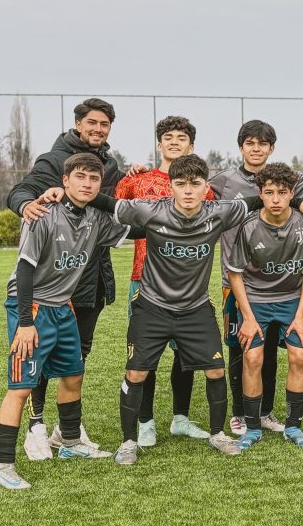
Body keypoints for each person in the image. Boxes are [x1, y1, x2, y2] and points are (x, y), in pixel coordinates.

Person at [109, 154, 303, 464]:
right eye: (181, 185)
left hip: (196, 308)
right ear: (171, 187)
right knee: (136, 373)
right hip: (152, 306)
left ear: (207, 187)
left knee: (216, 370)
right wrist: (66, 194)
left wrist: (298, 203)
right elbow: (105, 205)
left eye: (195, 184)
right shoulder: (150, 210)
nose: (188, 191)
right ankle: (128, 442)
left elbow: (264, 197)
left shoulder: (219, 212)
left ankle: (218, 433)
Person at [0, 153, 130, 490]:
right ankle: (3, 466)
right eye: (80, 177)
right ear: (64, 181)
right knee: (21, 388)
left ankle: (70, 443)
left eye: (93, 179)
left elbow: (136, 226)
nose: (87, 183)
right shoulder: (42, 214)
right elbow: (24, 270)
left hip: (62, 307)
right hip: (32, 308)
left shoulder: (97, 217)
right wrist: (25, 322)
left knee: (73, 375)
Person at [6, 97, 120, 459]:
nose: (97, 129)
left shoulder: (110, 164)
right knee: (38, 357)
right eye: (92, 123)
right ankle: (36, 426)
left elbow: (113, 212)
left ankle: (68, 431)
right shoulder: (55, 159)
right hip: (51, 280)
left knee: (77, 359)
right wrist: (28, 204)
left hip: (91, 272)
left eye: (104, 124)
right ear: (78, 123)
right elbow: (21, 192)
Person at [114, 116, 214, 446]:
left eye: (181, 137)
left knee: (187, 353)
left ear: (191, 146)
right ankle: (145, 421)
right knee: (145, 356)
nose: (174, 142)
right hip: (144, 278)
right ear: (159, 144)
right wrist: (127, 174)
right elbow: (113, 206)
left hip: (188, 282)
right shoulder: (139, 180)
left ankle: (181, 418)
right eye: (167, 137)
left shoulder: (203, 187)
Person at [211, 120, 303, 436]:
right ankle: (241, 414)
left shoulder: (284, 181)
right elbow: (191, 185)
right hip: (238, 279)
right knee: (240, 347)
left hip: (281, 282)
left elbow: (292, 190)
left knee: (268, 350)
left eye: (262, 144)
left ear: (271, 148)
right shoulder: (222, 181)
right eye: (250, 143)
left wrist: (300, 202)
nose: (256, 149)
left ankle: (265, 412)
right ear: (241, 147)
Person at [225, 163, 303, 449]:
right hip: (256, 300)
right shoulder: (248, 226)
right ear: (260, 194)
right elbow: (235, 273)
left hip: (292, 299)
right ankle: (252, 428)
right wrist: (248, 317)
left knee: (299, 356)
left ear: (293, 193)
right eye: (269, 192)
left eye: (282, 192)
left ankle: (294, 427)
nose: (276, 199)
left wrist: (302, 314)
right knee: (252, 358)